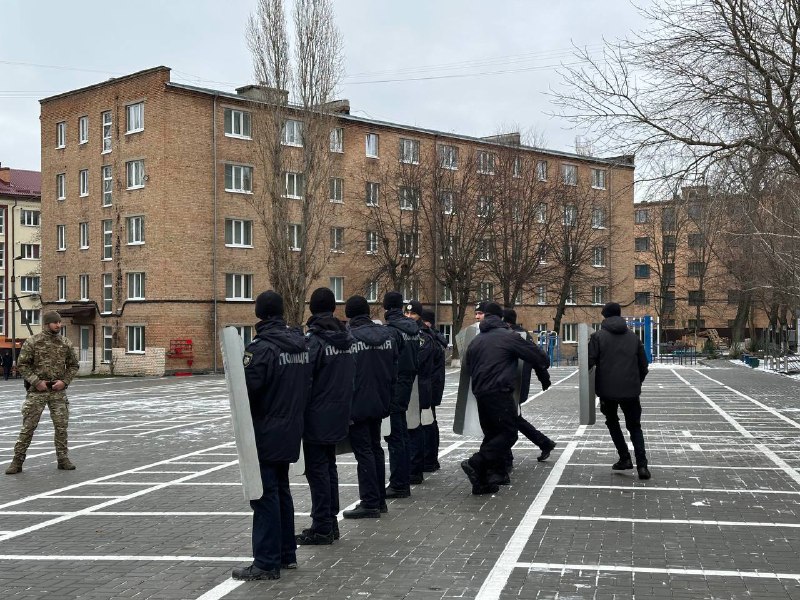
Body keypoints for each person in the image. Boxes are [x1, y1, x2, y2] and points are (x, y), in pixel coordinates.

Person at [232, 291, 312, 581]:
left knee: (264, 495)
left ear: (260, 314)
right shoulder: (300, 345)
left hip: (266, 429)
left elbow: (247, 391)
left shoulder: (262, 349)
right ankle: (286, 554)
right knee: (281, 490)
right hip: (291, 428)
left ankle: (266, 562)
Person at [461, 302, 551, 494]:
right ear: (500, 317)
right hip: (499, 391)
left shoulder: (477, 340)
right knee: (509, 434)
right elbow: (537, 356)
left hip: (480, 393)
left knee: (492, 436)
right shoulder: (508, 336)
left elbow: (467, 366)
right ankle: (475, 462)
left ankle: (482, 482)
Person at [297, 287, 355, 545]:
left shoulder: (316, 341)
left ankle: (322, 526)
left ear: (312, 308)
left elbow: (304, 379)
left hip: (317, 415)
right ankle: (330, 524)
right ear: (333, 308)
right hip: (339, 412)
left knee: (318, 471)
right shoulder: (346, 338)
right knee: (328, 468)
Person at [342, 295, 398, 519]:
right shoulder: (387, 336)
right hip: (380, 400)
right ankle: (380, 500)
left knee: (364, 451)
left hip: (358, 403)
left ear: (349, 314)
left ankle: (370, 502)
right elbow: (395, 368)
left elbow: (346, 373)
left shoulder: (350, 338)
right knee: (375, 448)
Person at [5, 311, 79, 475]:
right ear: (47, 324)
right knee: (28, 427)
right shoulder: (33, 342)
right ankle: (17, 461)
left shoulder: (65, 343)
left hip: (57, 391)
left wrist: (64, 382)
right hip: (37, 391)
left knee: (61, 427)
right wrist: (36, 382)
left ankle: (63, 459)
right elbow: (22, 365)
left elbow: (74, 365)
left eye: (60, 322)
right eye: (55, 323)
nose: (58, 325)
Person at [588, 302, 651, 480]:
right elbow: (644, 365)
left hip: (607, 392)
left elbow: (589, 362)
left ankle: (624, 458)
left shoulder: (598, 337)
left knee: (612, 422)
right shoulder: (633, 337)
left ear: (604, 316)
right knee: (635, 427)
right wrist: (635, 382)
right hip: (631, 391)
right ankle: (643, 467)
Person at [502, 308, 556, 464]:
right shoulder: (524, 336)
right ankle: (544, 443)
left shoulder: (513, 337)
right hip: (519, 385)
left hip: (511, 385)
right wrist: (544, 379)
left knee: (509, 419)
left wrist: (544, 379)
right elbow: (536, 359)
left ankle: (507, 457)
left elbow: (537, 358)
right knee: (513, 418)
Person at [382, 291, 420, 499]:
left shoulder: (391, 331)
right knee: (402, 434)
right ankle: (402, 479)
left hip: (395, 384)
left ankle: (399, 483)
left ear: (387, 308)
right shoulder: (413, 329)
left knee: (395, 436)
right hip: (407, 383)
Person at [404, 300, 434, 485]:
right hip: (412, 387)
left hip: (419, 387)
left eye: (412, 314)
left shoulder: (422, 336)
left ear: (419, 316)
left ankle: (416, 469)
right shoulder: (408, 333)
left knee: (416, 428)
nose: (408, 317)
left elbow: (417, 361)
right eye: (406, 314)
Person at [421, 309, 447, 473]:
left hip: (428, 387)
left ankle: (429, 460)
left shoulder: (431, 339)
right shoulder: (436, 338)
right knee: (430, 422)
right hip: (432, 386)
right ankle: (431, 459)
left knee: (428, 423)